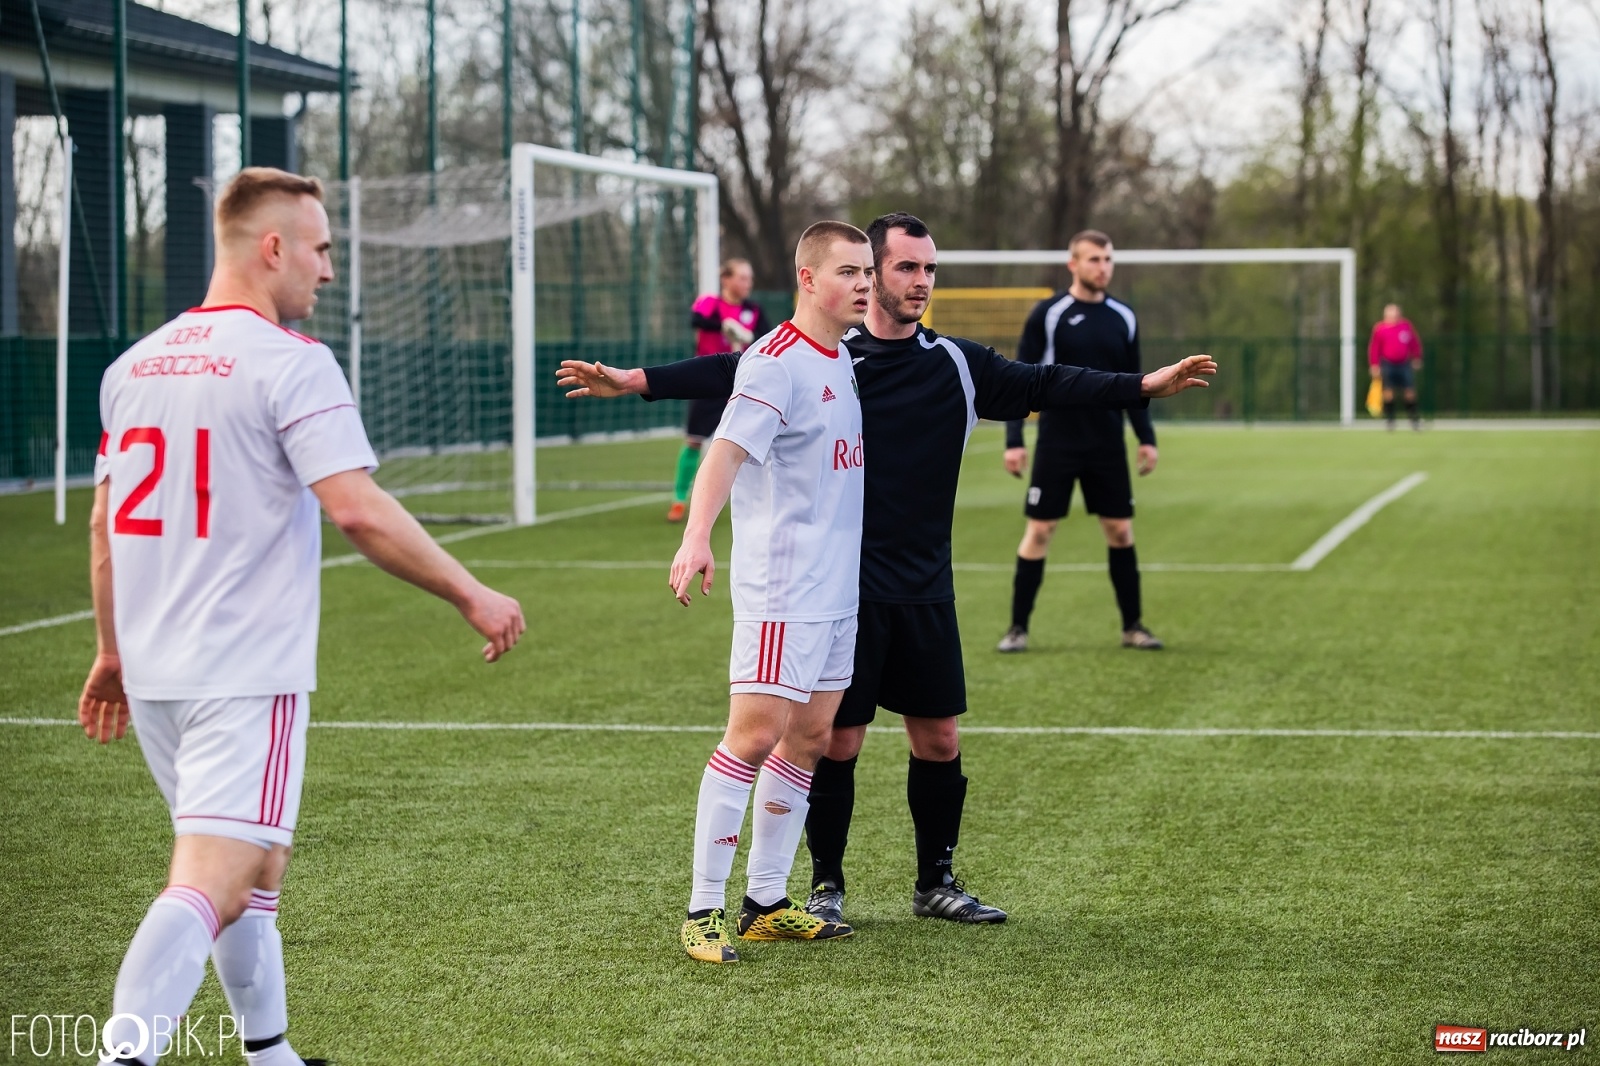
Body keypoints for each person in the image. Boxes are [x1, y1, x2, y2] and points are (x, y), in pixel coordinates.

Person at [555, 213, 1214, 929]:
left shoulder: (954, 364)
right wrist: (638, 381)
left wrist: (1143, 385)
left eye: (926, 269)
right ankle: (821, 885)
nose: (915, 282)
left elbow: (1051, 382)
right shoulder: (828, 355)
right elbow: (734, 373)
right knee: (833, 740)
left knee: (939, 738)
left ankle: (935, 882)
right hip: (836, 585)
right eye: (900, 268)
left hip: (925, 583)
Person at [80, 167, 525, 1066]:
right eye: (321, 250)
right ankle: (122, 1056)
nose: (328, 271)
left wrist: (111, 652)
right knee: (215, 877)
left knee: (254, 869)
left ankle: (270, 1051)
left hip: (161, 673)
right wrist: (472, 592)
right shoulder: (292, 361)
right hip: (245, 672)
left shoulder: (133, 365)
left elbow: (102, 523)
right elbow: (355, 509)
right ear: (272, 246)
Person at [666, 221, 873, 964]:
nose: (864, 285)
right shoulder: (773, 362)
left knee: (810, 740)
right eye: (850, 271)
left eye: (868, 272)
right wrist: (697, 537)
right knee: (752, 737)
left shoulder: (843, 357)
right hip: (783, 590)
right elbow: (724, 452)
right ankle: (701, 910)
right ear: (809, 279)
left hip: (835, 591)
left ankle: (764, 901)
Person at [997, 229, 1163, 655]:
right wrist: (1014, 440)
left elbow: (1137, 382)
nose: (1102, 267)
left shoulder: (1124, 316)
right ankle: (1017, 628)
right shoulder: (1049, 314)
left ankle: (1133, 626)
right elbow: (1019, 377)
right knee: (1040, 530)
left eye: (1107, 260)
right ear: (1074, 264)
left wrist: (1146, 439)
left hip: (1107, 441)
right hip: (1059, 440)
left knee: (1120, 530)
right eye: (1094, 260)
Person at [670, 259, 768, 522]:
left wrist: (746, 336)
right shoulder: (710, 303)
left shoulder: (753, 310)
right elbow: (696, 320)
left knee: (745, 444)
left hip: (742, 383)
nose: (747, 284)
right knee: (694, 439)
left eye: (749, 279)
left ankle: (747, 501)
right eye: (742, 278)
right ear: (726, 280)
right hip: (708, 383)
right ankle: (679, 499)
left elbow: (766, 337)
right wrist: (724, 326)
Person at [1369, 303, 1424, 430]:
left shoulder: (1405, 326)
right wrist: (1374, 365)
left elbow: (1414, 342)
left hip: (1403, 364)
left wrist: (1416, 357)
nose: (1394, 317)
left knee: (1409, 392)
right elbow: (1374, 348)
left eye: (1396, 314)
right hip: (1388, 364)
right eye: (1391, 314)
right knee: (1388, 393)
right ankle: (1390, 420)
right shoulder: (1380, 329)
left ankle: (1414, 419)